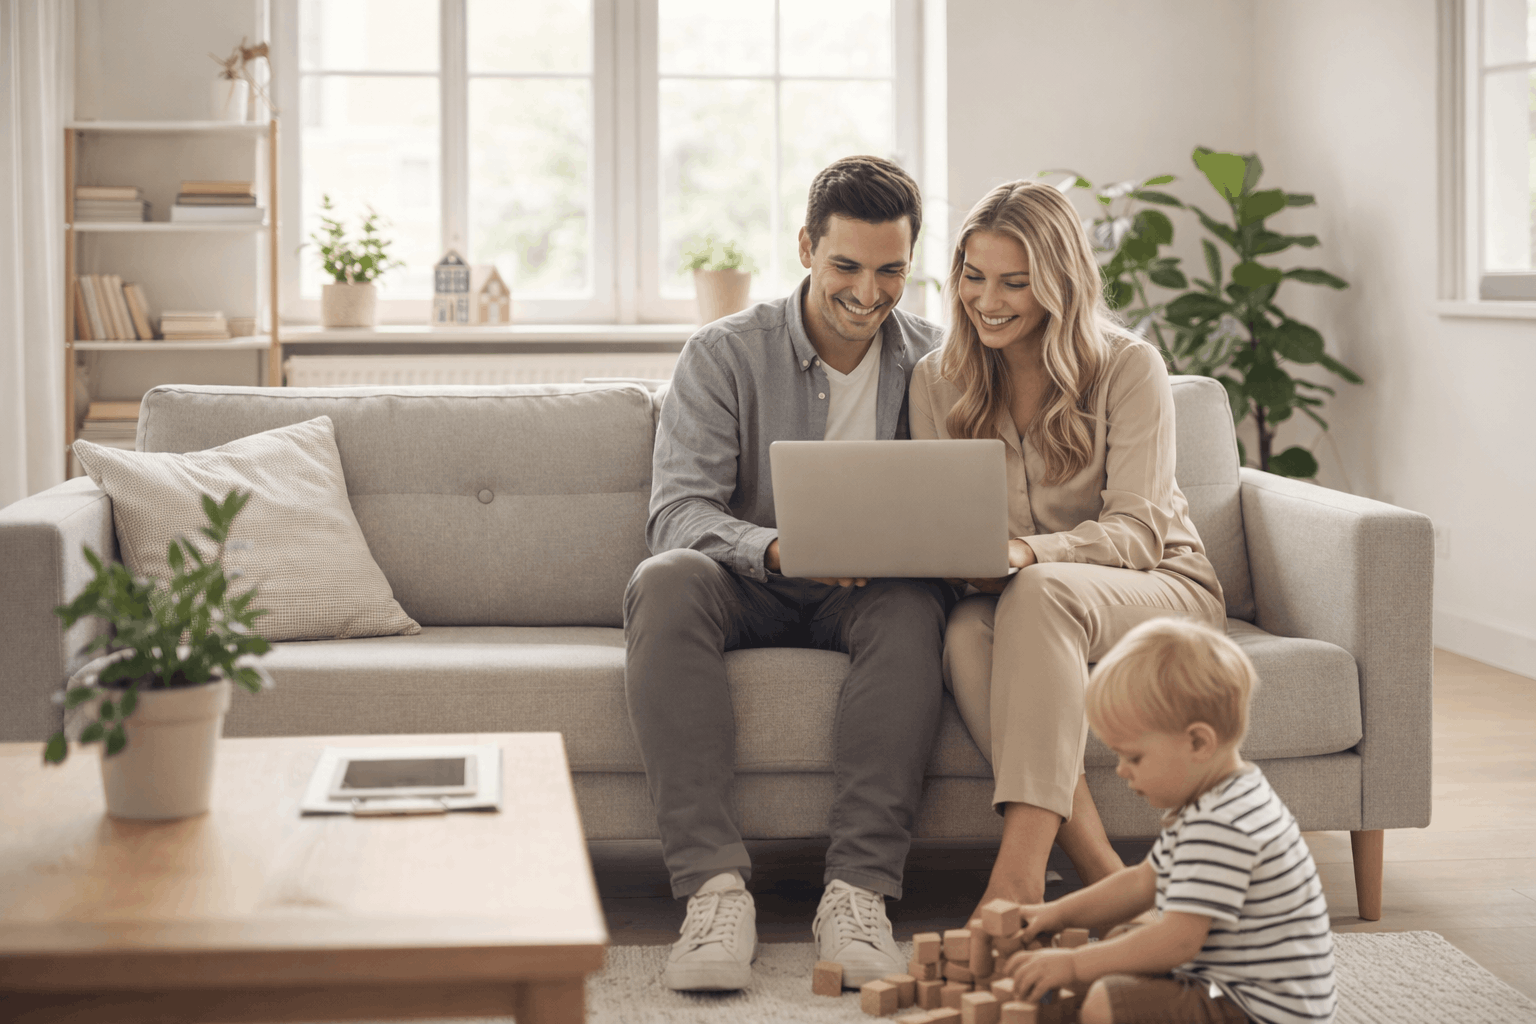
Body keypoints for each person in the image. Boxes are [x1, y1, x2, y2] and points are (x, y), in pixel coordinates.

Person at [625, 155, 953, 993]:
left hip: (874, 593)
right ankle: (712, 891)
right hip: (750, 582)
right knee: (664, 577)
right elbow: (681, 514)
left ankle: (858, 895)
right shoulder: (724, 353)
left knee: (915, 605)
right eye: (846, 266)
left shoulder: (939, 362)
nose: (868, 293)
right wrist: (775, 549)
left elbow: (961, 500)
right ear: (806, 246)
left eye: (891, 272)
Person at [908, 180, 1228, 912]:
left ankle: (1015, 880)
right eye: (974, 276)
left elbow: (1141, 532)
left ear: (1060, 281)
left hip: (1160, 587)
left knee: (1041, 589)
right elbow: (940, 520)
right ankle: (1104, 873)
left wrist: (1026, 553)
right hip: (1017, 597)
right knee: (962, 632)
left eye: (1015, 283)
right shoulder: (937, 379)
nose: (987, 300)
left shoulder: (1127, 366)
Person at [1004, 618, 1336, 1024]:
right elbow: (1143, 882)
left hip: (1257, 1011)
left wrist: (1074, 965)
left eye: (1134, 757)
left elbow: (1178, 941)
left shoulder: (1222, 826)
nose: (1122, 771)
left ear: (1197, 742)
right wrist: (1058, 913)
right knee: (1124, 942)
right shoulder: (1219, 798)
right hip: (1231, 984)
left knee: (1107, 1001)